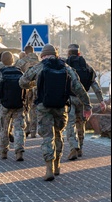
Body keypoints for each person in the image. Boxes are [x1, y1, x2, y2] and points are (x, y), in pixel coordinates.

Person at [19, 43, 92, 181]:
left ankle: (48, 168)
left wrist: (34, 84)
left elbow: (22, 82)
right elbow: (78, 87)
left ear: (43, 55)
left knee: (48, 137)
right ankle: (57, 165)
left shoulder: (39, 67)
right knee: (58, 134)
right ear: (56, 54)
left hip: (43, 107)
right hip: (61, 106)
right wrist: (87, 105)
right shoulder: (66, 67)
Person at [64, 44, 106, 160]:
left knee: (70, 124)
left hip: (70, 99)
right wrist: (101, 100)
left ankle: (73, 147)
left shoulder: (65, 66)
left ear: (68, 54)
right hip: (83, 100)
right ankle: (80, 148)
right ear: (79, 53)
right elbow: (95, 86)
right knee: (80, 123)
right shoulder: (87, 67)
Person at [0, 51, 26, 161]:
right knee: (19, 128)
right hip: (19, 105)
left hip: (5, 105)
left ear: (2, 61)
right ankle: (19, 151)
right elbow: (26, 87)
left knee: (4, 129)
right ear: (12, 60)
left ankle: (4, 151)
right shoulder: (19, 72)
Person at [15, 45, 40, 138]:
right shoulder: (40, 62)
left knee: (25, 108)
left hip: (26, 88)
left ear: (25, 52)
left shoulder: (21, 62)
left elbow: (15, 70)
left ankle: (27, 127)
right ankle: (33, 131)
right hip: (38, 88)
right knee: (34, 109)